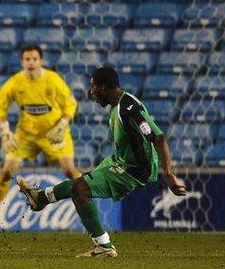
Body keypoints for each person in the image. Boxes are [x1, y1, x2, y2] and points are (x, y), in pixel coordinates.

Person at [17, 66, 187, 258]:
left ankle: (104, 246)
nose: (91, 92)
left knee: (80, 189)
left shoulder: (129, 109)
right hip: (119, 160)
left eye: (93, 87)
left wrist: (170, 175)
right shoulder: (118, 105)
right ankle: (41, 198)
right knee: (78, 186)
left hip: (133, 169)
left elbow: (159, 138)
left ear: (103, 88)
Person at [0, 44, 81, 233]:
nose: (31, 62)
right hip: (25, 134)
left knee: (70, 170)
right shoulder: (16, 82)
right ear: (22, 62)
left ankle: (86, 206)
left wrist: (62, 125)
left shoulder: (53, 80)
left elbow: (71, 103)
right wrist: (6, 131)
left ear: (41, 61)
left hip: (53, 132)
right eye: (27, 59)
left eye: (34, 59)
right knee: (7, 171)